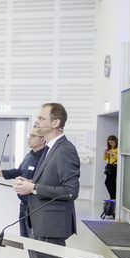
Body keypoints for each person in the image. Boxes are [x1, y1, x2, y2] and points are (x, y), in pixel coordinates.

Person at [14, 102, 80, 246]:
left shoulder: (65, 150)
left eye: (41, 118)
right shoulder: (51, 148)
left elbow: (70, 191)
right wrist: (31, 183)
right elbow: (51, 181)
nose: (36, 121)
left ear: (55, 122)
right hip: (41, 221)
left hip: (51, 225)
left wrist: (34, 188)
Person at [0, 130, 47, 237]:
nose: (29, 138)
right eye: (29, 135)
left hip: (34, 206)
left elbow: (45, 181)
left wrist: (31, 182)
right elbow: (17, 172)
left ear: (42, 140)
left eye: (33, 136)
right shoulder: (29, 155)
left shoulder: (46, 158)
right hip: (23, 205)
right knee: (24, 237)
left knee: (33, 239)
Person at [103, 135, 118, 201]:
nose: (111, 144)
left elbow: (118, 157)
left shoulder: (117, 149)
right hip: (109, 166)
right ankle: (112, 197)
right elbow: (104, 158)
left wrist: (112, 154)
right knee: (108, 182)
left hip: (114, 166)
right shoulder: (109, 149)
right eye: (109, 143)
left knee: (111, 182)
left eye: (112, 142)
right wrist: (105, 153)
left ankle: (113, 197)